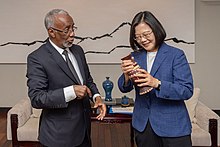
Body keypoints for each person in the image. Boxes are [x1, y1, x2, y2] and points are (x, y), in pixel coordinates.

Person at [26, 9, 106, 147]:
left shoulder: (78, 51)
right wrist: (71, 92)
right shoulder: (37, 58)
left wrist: (96, 97)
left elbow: (87, 80)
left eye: (73, 27)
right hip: (58, 137)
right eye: (66, 30)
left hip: (84, 133)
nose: (72, 34)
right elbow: (37, 98)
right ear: (51, 32)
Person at [118, 11, 194, 147]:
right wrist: (126, 75)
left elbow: (186, 90)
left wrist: (156, 83)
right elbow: (124, 87)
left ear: (156, 30)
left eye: (146, 34)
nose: (142, 40)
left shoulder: (176, 55)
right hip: (144, 127)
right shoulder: (135, 56)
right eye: (138, 37)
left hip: (173, 128)